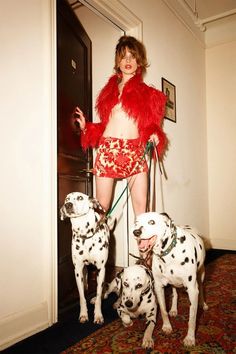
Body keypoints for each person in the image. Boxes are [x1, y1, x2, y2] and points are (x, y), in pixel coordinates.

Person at [74, 36, 167, 253]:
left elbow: (153, 126)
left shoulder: (150, 94)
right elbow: (106, 124)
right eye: (123, 56)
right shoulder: (108, 93)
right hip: (108, 150)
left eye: (132, 57)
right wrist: (85, 126)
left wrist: (154, 135)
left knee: (141, 212)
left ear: (139, 62)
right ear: (117, 61)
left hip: (134, 151)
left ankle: (144, 266)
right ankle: (92, 253)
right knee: (102, 207)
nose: (128, 61)